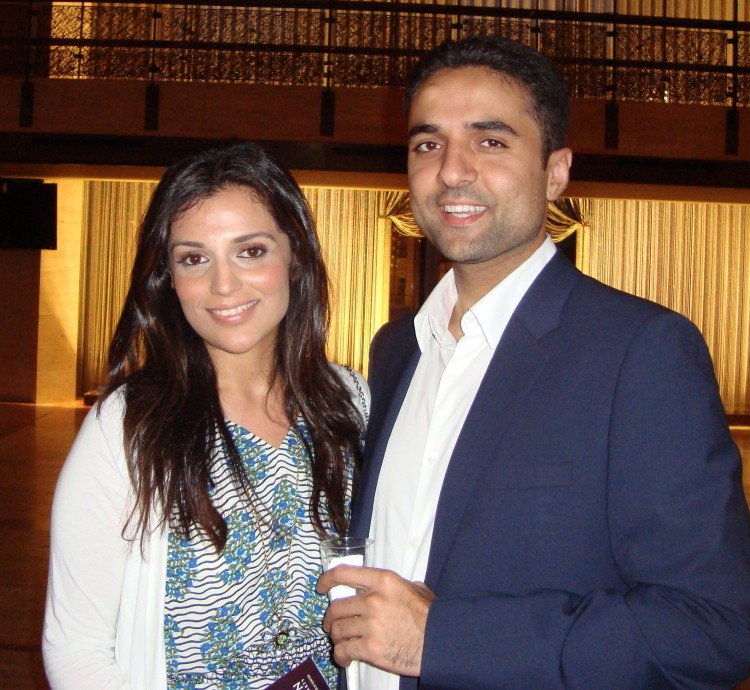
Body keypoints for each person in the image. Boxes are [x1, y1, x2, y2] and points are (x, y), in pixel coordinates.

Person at [318, 34, 750, 689]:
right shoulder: (395, 347)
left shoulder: (642, 352)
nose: (452, 171)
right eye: (427, 143)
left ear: (555, 171)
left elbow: (712, 628)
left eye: (491, 142)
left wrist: (445, 640)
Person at [43, 141, 369, 689]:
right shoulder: (129, 425)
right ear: (168, 279)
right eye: (194, 258)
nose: (223, 286)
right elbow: (76, 647)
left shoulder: (349, 402)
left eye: (251, 251)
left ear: (296, 253)